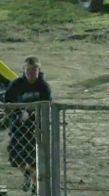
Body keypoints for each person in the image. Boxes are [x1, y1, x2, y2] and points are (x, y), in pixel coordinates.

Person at [4, 56, 52, 195]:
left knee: (33, 159)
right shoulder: (17, 84)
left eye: (35, 70)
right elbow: (8, 102)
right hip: (18, 127)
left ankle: (36, 189)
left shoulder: (43, 86)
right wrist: (18, 113)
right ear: (24, 70)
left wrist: (30, 114)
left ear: (39, 70)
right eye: (29, 71)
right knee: (15, 157)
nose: (32, 74)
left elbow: (47, 104)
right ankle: (27, 175)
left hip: (36, 128)